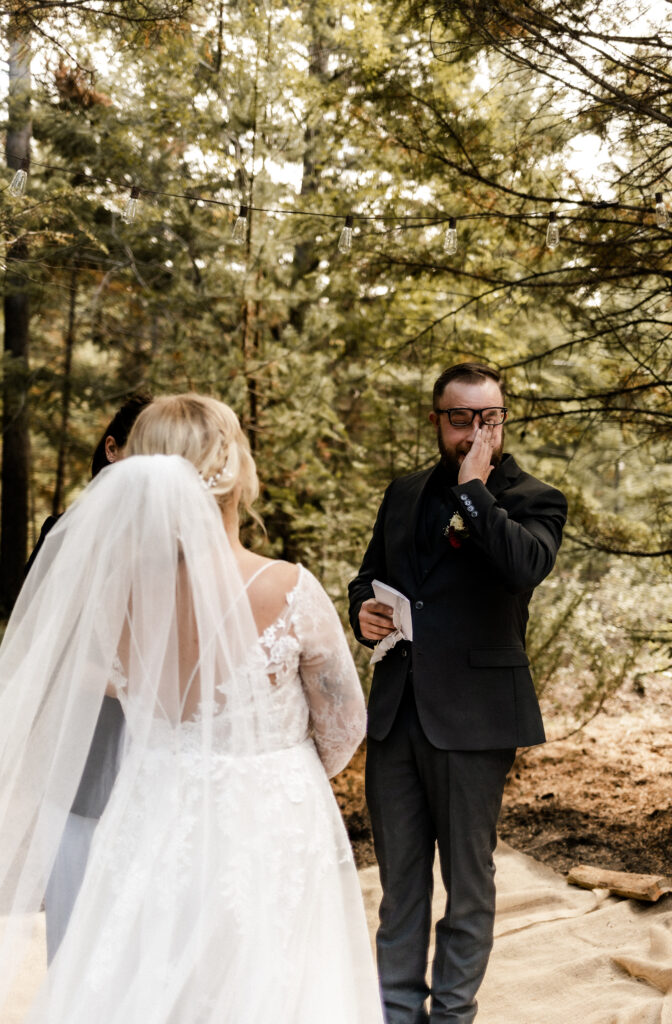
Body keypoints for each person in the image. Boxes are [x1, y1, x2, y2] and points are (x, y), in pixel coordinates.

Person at [0, 394, 384, 1024]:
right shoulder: (288, 588)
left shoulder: (112, 597)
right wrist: (276, 765)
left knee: (148, 971)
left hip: (151, 810)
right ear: (236, 472)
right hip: (271, 816)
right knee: (272, 981)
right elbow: (346, 726)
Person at [348, 362, 567, 1024]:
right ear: (435, 418)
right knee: (398, 884)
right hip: (396, 713)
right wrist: (362, 611)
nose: (475, 430)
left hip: (475, 719)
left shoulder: (535, 497)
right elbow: (369, 577)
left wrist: (475, 493)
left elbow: (523, 566)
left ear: (502, 417)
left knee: (468, 885)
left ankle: (450, 1017)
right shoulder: (404, 492)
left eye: (489, 417)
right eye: (460, 418)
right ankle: (395, 1012)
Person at [26, 392, 152, 962]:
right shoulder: (64, 533)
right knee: (78, 937)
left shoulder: (178, 542)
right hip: (86, 751)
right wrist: (134, 683)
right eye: (146, 452)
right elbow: (45, 652)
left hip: (162, 751)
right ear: (112, 448)